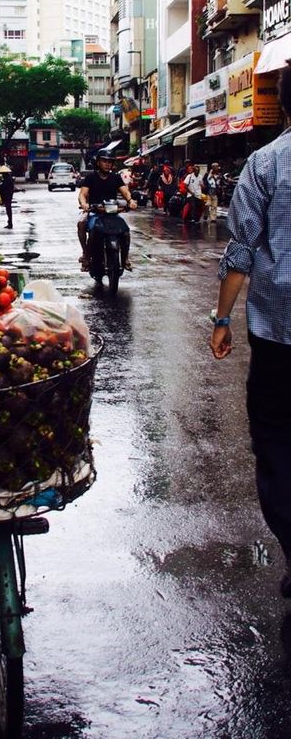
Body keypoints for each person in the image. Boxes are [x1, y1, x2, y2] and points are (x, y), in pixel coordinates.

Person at [210, 62, 291, 598]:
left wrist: (221, 320)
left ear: (284, 104)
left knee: (278, 444)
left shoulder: (266, 163)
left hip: (279, 337)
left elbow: (240, 250)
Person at [77, 148, 136, 274]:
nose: (107, 163)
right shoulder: (90, 178)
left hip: (112, 213)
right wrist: (84, 204)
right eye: (104, 161)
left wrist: (130, 201)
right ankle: (86, 255)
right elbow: (82, 194)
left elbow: (125, 192)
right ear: (98, 162)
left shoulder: (116, 178)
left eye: (110, 161)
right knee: (82, 224)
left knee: (125, 232)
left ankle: (125, 259)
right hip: (95, 212)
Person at [0, 164, 15, 228]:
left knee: (8, 210)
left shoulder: (8, 179)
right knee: (8, 210)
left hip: (8, 196)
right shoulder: (7, 178)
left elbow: (4, 186)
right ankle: (9, 223)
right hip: (7, 196)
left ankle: (10, 223)